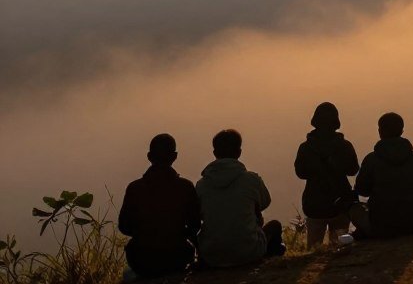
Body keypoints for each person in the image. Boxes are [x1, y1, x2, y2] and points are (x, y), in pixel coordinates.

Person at [195, 129, 284, 267]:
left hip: (212, 254)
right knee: (275, 226)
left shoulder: (202, 185)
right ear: (239, 152)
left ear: (215, 153)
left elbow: (198, 215)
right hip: (248, 252)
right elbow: (265, 202)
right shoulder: (251, 179)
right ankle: (269, 264)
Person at [117, 133, 201, 278]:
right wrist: (176, 234)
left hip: (141, 259)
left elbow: (124, 226)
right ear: (174, 157)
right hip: (177, 258)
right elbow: (195, 225)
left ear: (149, 156)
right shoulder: (185, 187)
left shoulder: (135, 188)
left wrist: (145, 234)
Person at [351, 112, 413, 238]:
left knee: (353, 208)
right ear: (402, 131)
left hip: (381, 223)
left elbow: (362, 190)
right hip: (412, 222)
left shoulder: (371, 159)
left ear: (380, 131)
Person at [294, 102, 360, 247]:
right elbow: (353, 170)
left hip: (314, 203)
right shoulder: (345, 146)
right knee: (340, 247)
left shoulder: (306, 147)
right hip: (341, 201)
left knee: (313, 249)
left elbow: (300, 172)